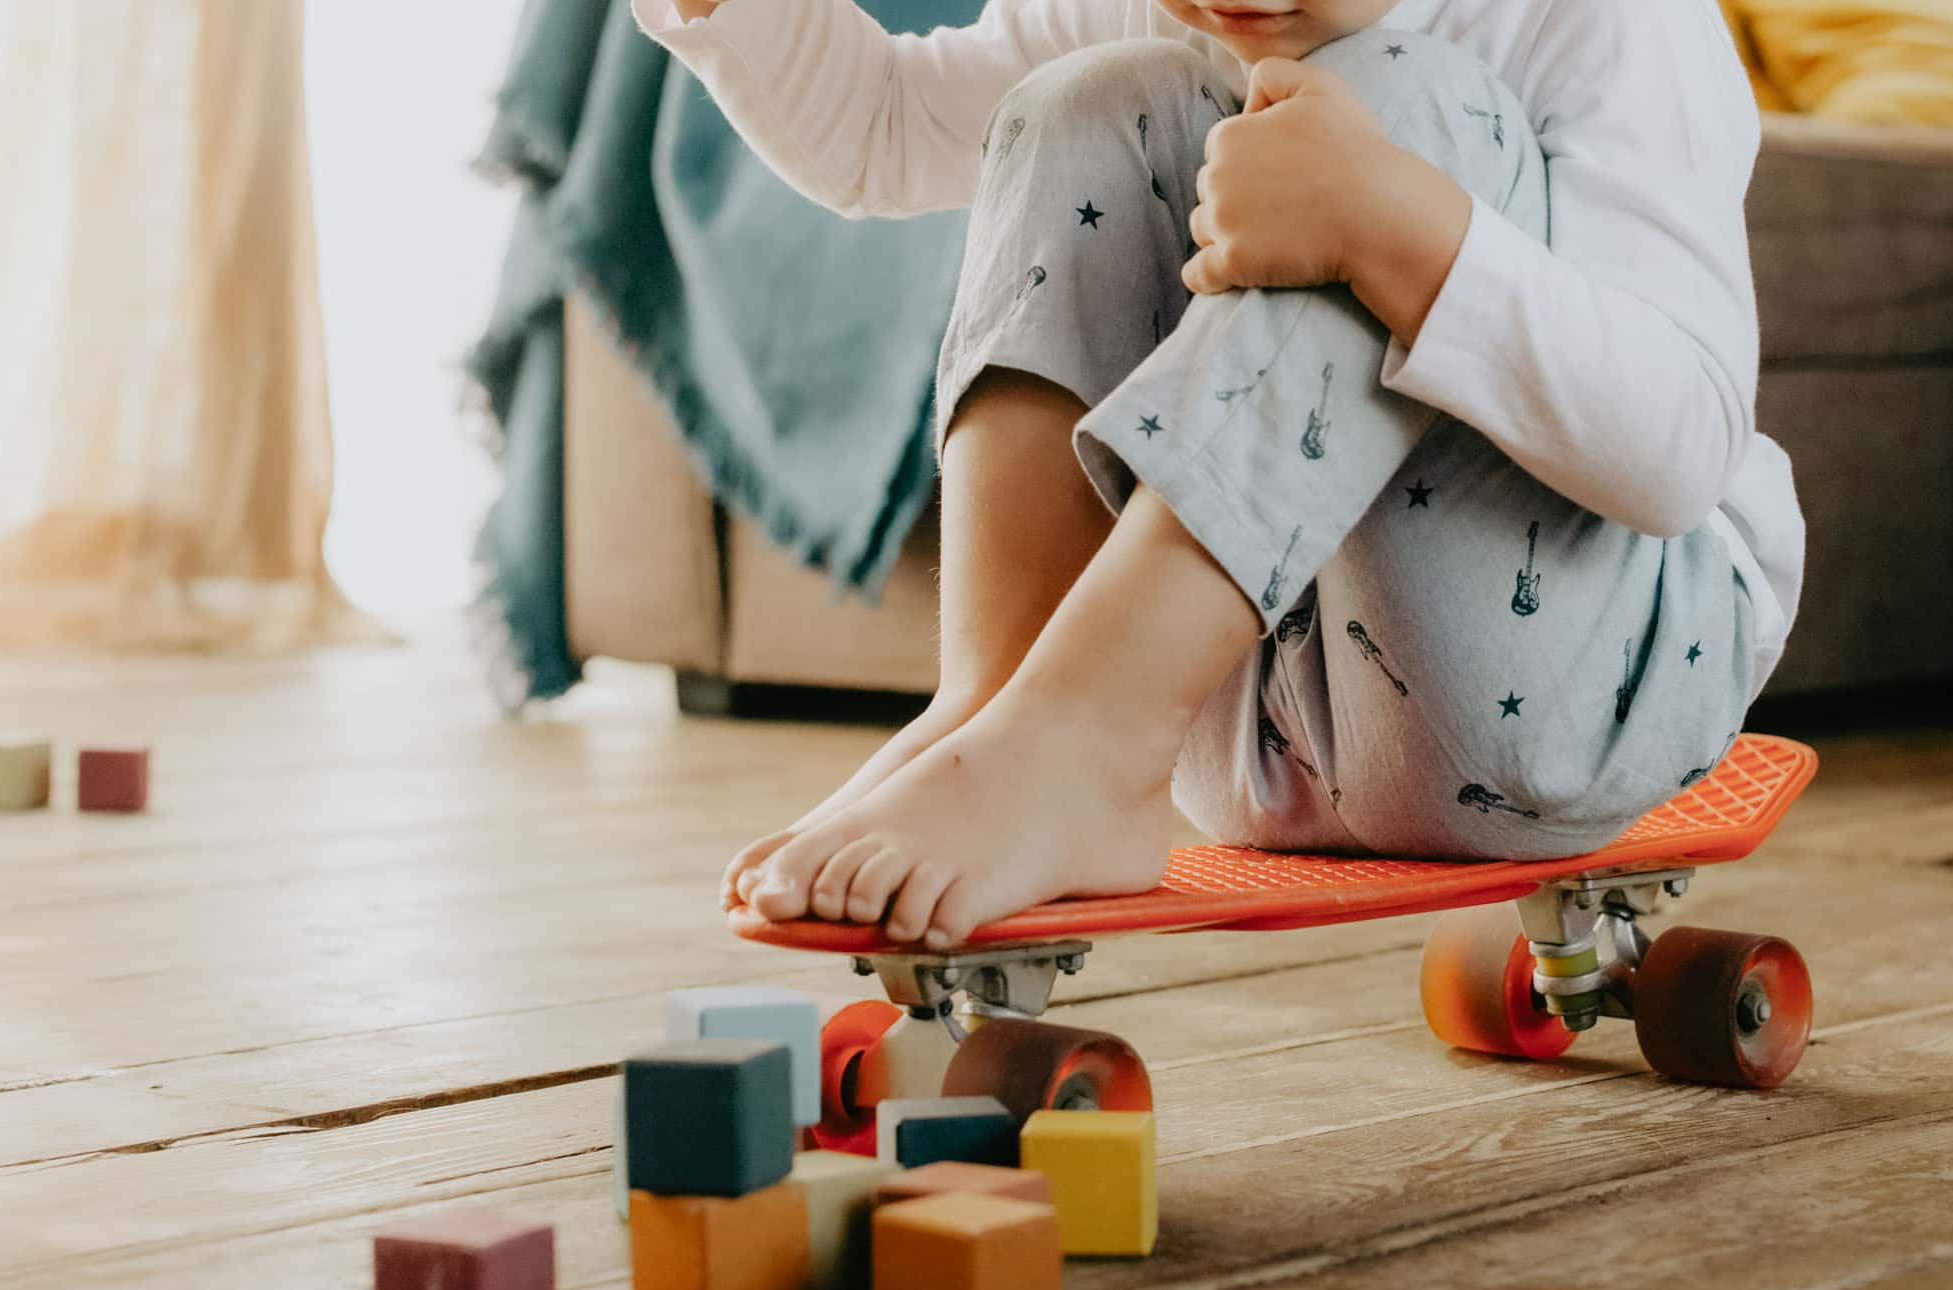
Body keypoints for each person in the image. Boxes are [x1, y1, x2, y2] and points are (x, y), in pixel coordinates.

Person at [634, 0, 1805, 953]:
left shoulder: (1603, 20)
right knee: (1084, 101)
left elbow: (1683, 448)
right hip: (1260, 738)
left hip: (1586, 695)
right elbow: (881, 130)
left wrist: (1399, 229)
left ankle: (1085, 731)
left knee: (1402, 99)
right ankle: (1000, 722)